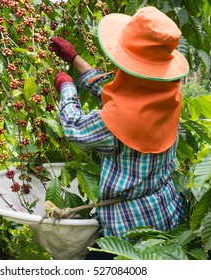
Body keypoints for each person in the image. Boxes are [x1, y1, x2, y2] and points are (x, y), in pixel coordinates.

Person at [49, 6, 189, 252]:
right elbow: (117, 94)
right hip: (166, 210)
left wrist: (67, 88)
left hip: (128, 228)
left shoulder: (114, 124)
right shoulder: (168, 96)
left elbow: (74, 127)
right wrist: (74, 58)